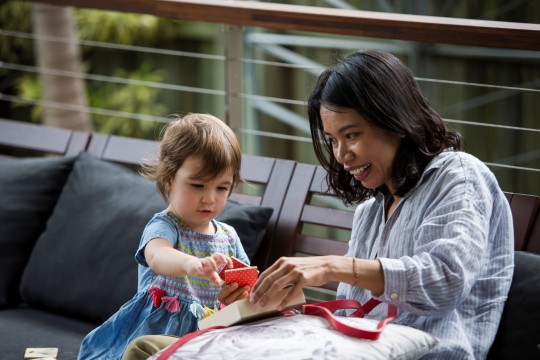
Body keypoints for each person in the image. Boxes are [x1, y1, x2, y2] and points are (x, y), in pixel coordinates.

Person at [249, 49, 514, 359]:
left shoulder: (459, 175)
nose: (340, 154)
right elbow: (356, 315)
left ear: (396, 122)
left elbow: (444, 280)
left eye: (352, 135)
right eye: (332, 140)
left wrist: (332, 265)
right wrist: (283, 305)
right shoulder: (370, 211)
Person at [78, 113, 251, 360]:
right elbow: (158, 256)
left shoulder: (229, 237)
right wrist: (192, 264)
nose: (209, 198)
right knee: (144, 351)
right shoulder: (165, 226)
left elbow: (244, 283)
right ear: (170, 180)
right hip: (157, 335)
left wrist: (242, 292)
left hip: (208, 336)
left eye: (222, 188)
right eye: (197, 185)